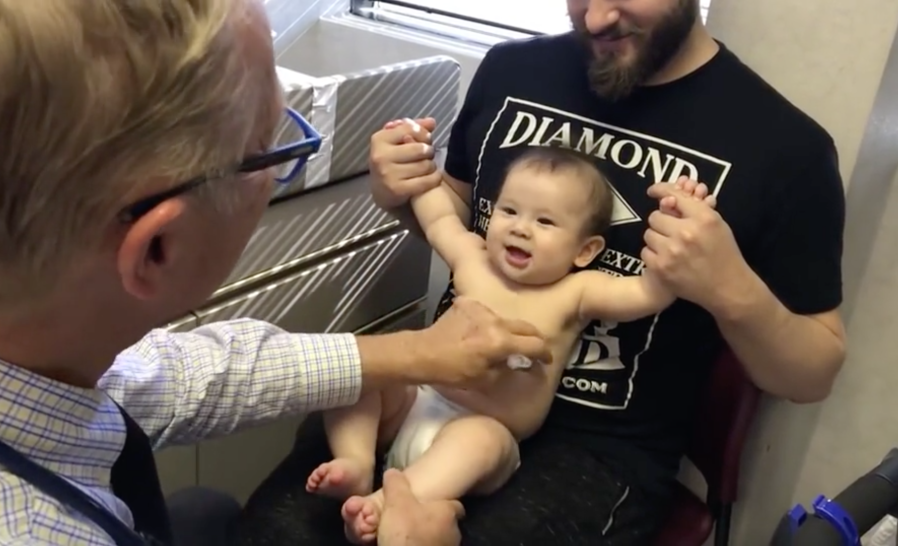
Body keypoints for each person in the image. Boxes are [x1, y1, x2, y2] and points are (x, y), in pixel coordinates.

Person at [0, 1, 553, 546]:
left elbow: (165, 378)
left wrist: (416, 352)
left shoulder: (23, 343)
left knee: (204, 510)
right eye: (273, 149)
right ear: (158, 248)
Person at [359, 0, 848, 543]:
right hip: (433, 385)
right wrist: (400, 192)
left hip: (597, 453)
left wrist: (729, 287)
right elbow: (458, 219)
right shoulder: (509, 70)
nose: (594, 20)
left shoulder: (787, 149)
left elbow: (812, 372)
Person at [308, 144, 715, 543]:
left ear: (585, 250)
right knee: (361, 365)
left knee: (481, 441)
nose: (520, 227)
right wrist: (419, 166)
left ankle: (384, 504)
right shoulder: (474, 258)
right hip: (417, 401)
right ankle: (356, 461)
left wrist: (677, 227)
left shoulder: (576, 292)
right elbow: (438, 220)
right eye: (509, 211)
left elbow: (648, 294)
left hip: (482, 432)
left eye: (545, 222)